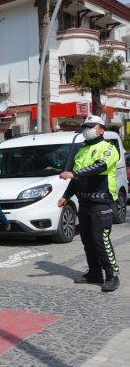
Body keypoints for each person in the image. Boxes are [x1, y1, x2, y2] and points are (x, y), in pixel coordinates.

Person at [59, 115, 121, 292]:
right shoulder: (82, 150)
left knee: (101, 239)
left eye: (90, 126)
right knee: (87, 240)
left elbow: (100, 167)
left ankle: (112, 275)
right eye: (85, 126)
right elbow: (76, 176)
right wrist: (66, 195)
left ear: (101, 129)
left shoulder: (108, 148)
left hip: (102, 201)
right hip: (84, 201)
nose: (87, 129)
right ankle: (94, 272)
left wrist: (74, 174)